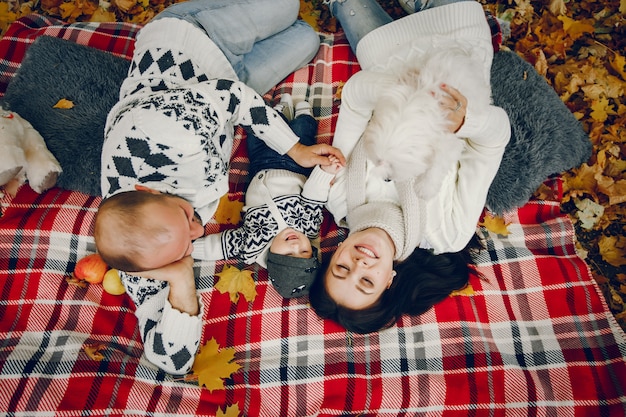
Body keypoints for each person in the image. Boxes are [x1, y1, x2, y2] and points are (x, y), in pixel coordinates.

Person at [93, 0, 345, 374]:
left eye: (185, 215)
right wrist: (180, 279)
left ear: (147, 190)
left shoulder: (163, 134)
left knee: (289, 7)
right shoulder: (139, 247)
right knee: (307, 39)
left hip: (194, 42)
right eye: (186, 243)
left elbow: (233, 97)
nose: (199, 230)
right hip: (224, 92)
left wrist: (298, 151)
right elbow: (171, 361)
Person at [309, 0, 511, 333]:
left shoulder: (339, 197)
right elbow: (495, 137)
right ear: (389, 280)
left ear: (335, 252)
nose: (359, 264)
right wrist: (463, 122)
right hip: (458, 43)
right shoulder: (447, 233)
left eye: (342, 269)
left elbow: (357, 97)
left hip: (387, 54)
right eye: (366, 282)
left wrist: (411, 92)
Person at [193, 96, 343, 298]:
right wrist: (325, 172)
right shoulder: (308, 227)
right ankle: (303, 111)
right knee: (302, 130)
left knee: (257, 135)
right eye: (305, 252)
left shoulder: (251, 245)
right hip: (295, 166)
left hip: (260, 165)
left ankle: (279, 111)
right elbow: (314, 195)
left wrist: (188, 249)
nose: (296, 245)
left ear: (272, 260)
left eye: (289, 254)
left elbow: (219, 247)